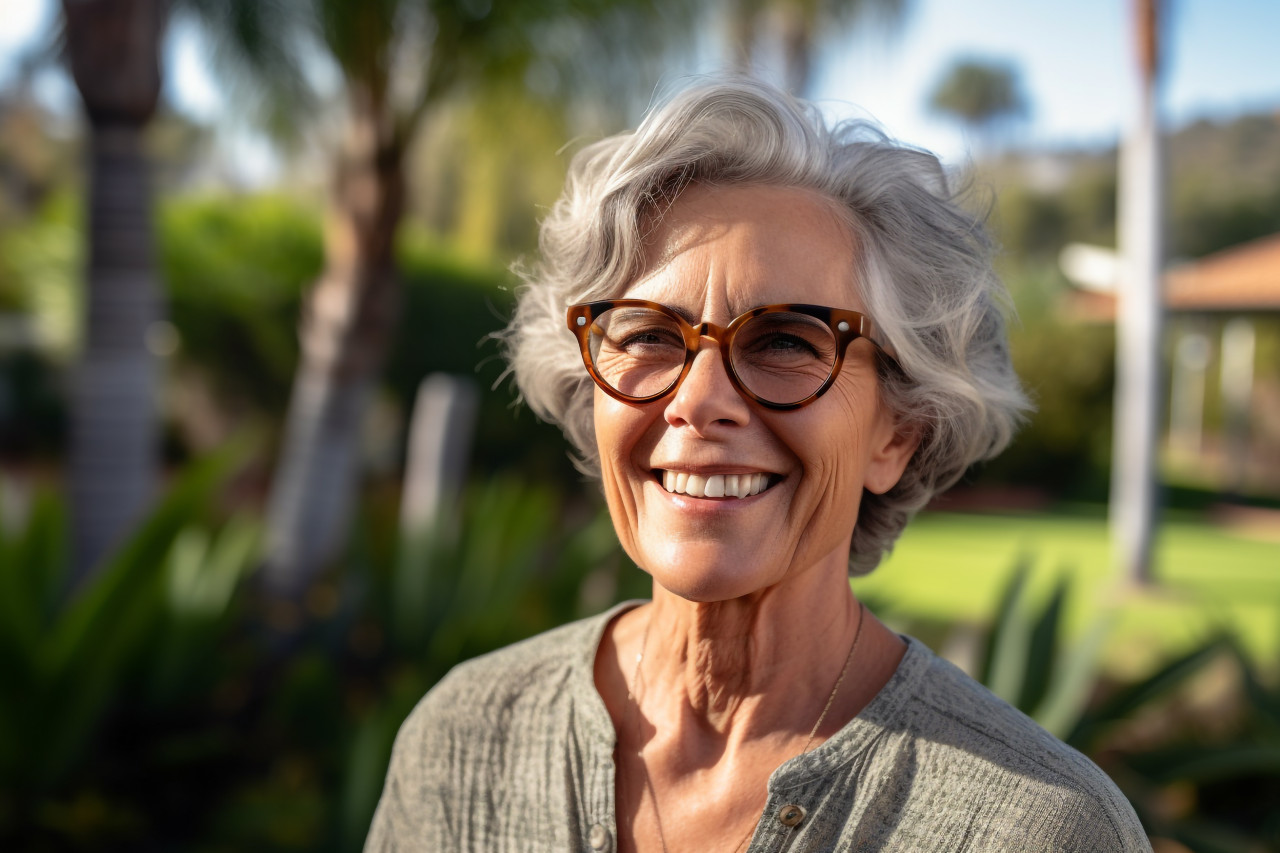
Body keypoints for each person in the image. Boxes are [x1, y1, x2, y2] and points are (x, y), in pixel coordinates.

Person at [365, 77, 1151, 852]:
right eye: (645, 335)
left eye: (784, 341)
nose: (699, 401)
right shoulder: (465, 744)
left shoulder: (1039, 827)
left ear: (898, 432)